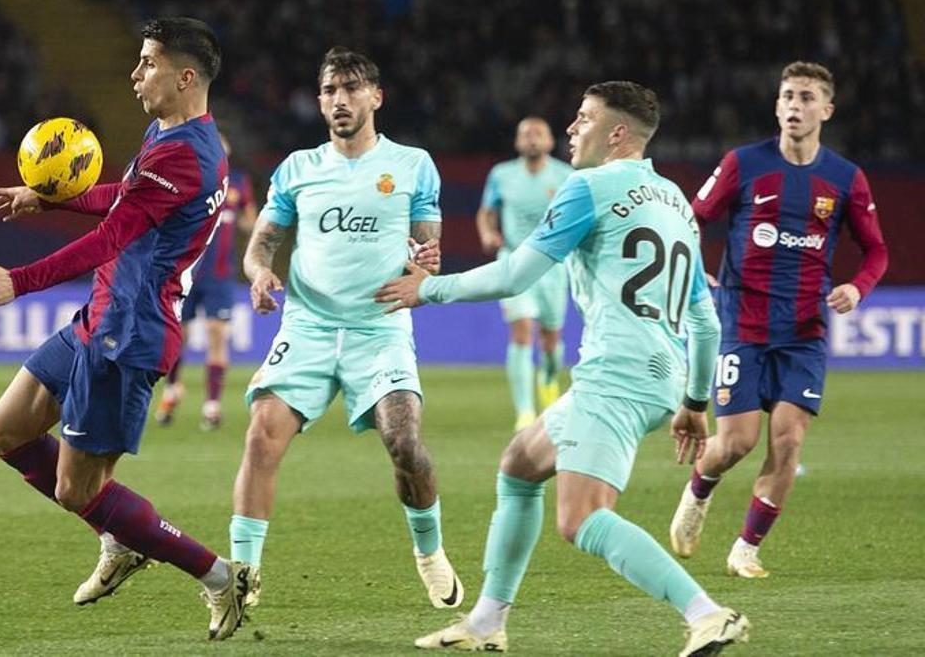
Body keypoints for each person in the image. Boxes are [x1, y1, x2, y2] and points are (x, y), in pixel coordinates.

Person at [377, 81, 750, 655]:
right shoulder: (675, 200)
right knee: (520, 464)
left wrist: (431, 288)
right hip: (661, 374)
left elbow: (513, 275)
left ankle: (706, 614)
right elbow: (705, 320)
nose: (572, 129)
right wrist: (695, 403)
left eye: (583, 118)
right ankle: (485, 623)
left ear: (617, 133)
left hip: (616, 374)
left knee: (581, 520)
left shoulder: (588, 188)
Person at [0, 18, 252, 640]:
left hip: (132, 332)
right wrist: (50, 196)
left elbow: (113, 236)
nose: (135, 73)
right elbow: (127, 197)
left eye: (147, 63)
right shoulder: (169, 132)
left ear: (184, 76)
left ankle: (222, 577)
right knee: (4, 431)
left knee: (75, 489)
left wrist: (19, 281)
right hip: (102, 315)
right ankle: (119, 536)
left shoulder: (188, 155)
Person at [231, 46, 462, 610]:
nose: (341, 99)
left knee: (404, 442)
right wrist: (260, 275)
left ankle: (429, 554)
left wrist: (421, 270)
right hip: (308, 326)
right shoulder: (297, 169)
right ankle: (242, 574)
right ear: (319, 101)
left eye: (353, 88)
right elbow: (259, 246)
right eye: (331, 90)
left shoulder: (412, 165)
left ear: (376, 97)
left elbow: (427, 248)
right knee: (261, 436)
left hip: (378, 329)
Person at [669, 61, 888, 578]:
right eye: (788, 95)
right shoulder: (743, 165)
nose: (795, 105)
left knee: (788, 441)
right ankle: (699, 491)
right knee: (737, 443)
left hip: (804, 332)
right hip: (741, 325)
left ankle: (746, 549)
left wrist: (857, 287)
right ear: (776, 106)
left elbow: (876, 249)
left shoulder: (844, 178)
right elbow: (687, 220)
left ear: (826, 110)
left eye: (807, 97)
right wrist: (698, 274)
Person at [476, 117, 574, 429]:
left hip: (553, 267)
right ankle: (525, 412)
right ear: (517, 142)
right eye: (525, 134)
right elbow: (486, 213)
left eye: (538, 133)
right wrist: (488, 233)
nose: (531, 138)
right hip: (515, 262)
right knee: (521, 332)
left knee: (550, 342)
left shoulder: (565, 175)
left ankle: (548, 378)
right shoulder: (502, 175)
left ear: (549, 141)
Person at [155, 132, 258, 430]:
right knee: (179, 338)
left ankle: (212, 405)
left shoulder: (238, 182)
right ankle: (173, 388)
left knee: (216, 334)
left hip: (221, 276)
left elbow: (249, 219)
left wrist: (253, 224)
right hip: (187, 272)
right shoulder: (192, 179)